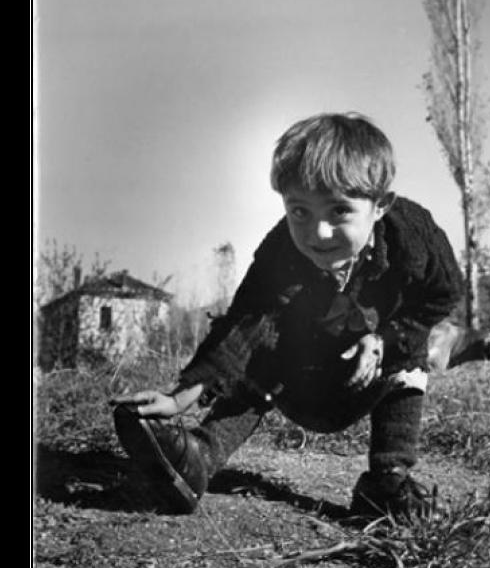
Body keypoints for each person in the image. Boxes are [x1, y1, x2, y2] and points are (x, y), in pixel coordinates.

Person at [112, 113, 463, 520]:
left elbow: (445, 293)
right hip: (299, 382)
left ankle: (387, 481)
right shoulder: (280, 252)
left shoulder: (414, 237)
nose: (319, 233)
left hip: (371, 378)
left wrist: (384, 338)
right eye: (300, 211)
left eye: (339, 211)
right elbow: (242, 327)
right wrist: (178, 398)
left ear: (381, 205)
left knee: (411, 343)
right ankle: (197, 460)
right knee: (265, 338)